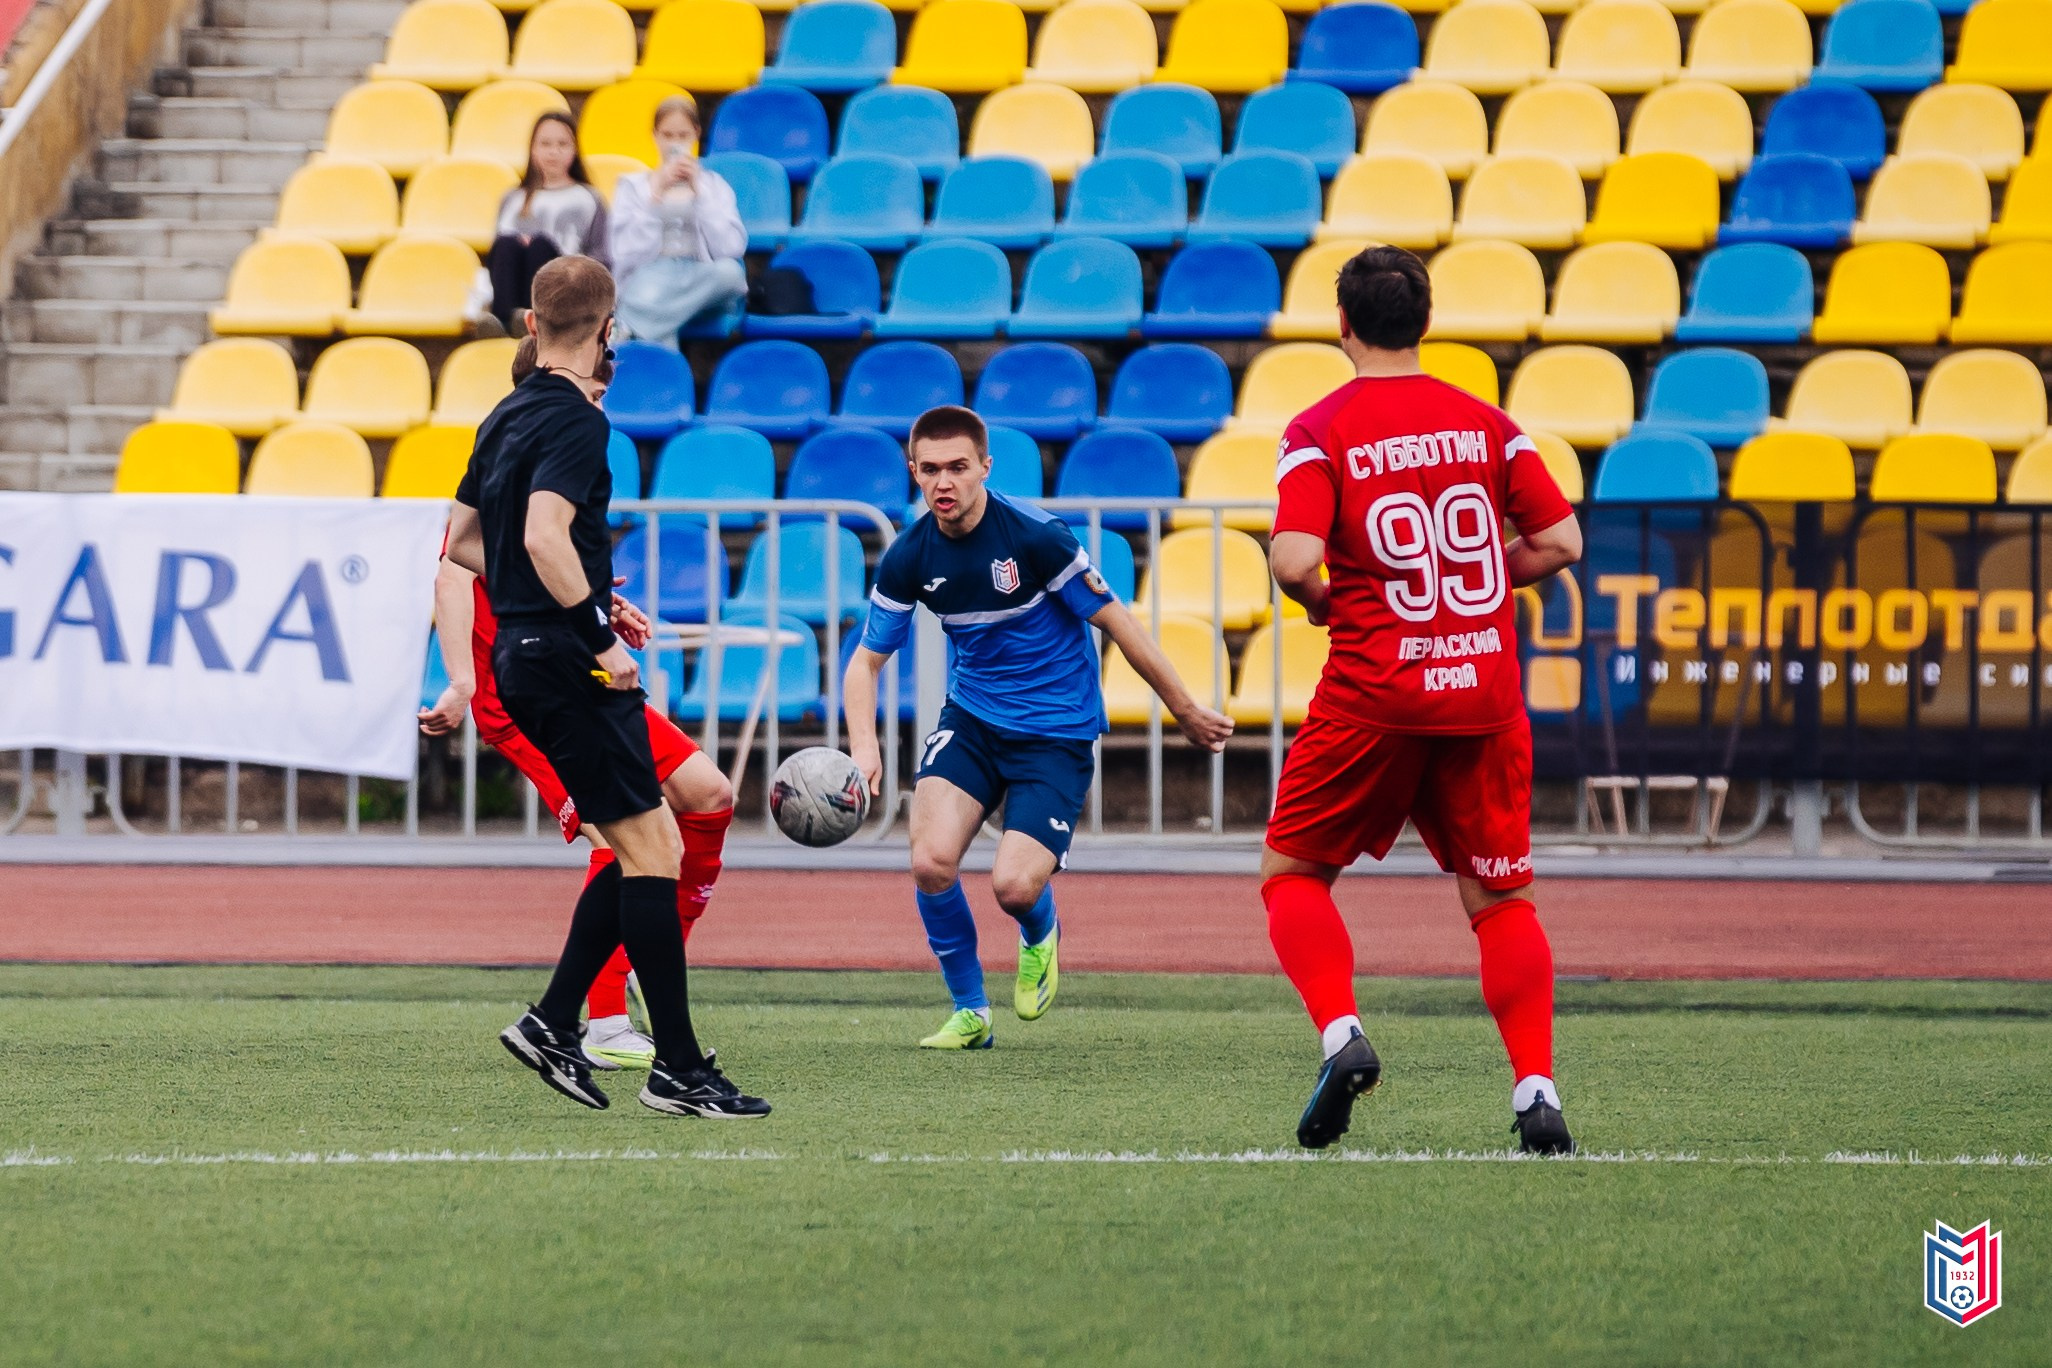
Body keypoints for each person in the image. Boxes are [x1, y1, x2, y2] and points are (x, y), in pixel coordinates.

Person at [1257, 245, 1584, 1154]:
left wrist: (1327, 596)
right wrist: (1478, 582)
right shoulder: (1487, 424)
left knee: (1292, 874)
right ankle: (1534, 1089)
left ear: (1343, 325)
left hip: (1374, 690)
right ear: (1426, 322)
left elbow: (1292, 559)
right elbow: (1560, 540)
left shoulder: (1321, 428)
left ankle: (1342, 1033)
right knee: (1502, 901)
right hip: (1482, 690)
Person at [443, 255, 767, 1118]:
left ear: (531, 325)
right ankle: (677, 1071)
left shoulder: (503, 414)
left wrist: (587, 587)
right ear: (607, 327)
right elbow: (545, 535)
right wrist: (594, 626)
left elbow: (467, 543)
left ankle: (555, 1022)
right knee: (655, 852)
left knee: (642, 843)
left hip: (523, 649)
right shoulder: (583, 422)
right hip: (562, 656)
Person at [844, 406, 1235, 1050]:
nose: (945, 482)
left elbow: (1119, 624)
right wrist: (864, 748)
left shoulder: (1036, 536)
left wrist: (1185, 709)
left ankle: (1039, 929)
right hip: (972, 720)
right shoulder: (909, 555)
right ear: (913, 472)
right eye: (931, 469)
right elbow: (865, 663)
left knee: (1013, 886)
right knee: (930, 861)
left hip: (1055, 731)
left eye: (959, 468)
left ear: (985, 468)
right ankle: (970, 1012)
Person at [607, 95, 747, 349]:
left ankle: (628, 324)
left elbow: (730, 248)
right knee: (652, 302)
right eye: (668, 135)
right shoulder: (632, 186)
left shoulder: (714, 185)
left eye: (682, 136)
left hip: (700, 275)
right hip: (652, 274)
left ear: (696, 134)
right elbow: (625, 253)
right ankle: (666, 372)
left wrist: (700, 195)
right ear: (655, 136)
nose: (675, 144)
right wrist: (655, 196)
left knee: (732, 273)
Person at [487, 112, 610, 330]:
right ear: (532, 149)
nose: (554, 152)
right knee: (507, 245)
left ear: (575, 149)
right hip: (516, 284)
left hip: (565, 287)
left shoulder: (589, 199)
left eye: (562, 144)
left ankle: (538, 317)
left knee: (540, 247)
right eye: (545, 144)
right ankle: (505, 320)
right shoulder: (513, 199)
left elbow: (601, 256)